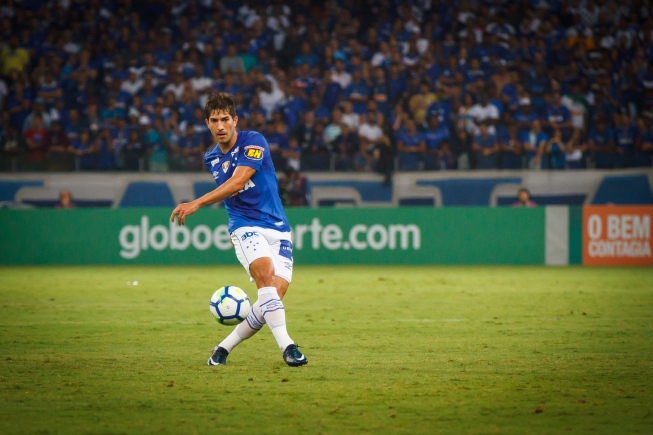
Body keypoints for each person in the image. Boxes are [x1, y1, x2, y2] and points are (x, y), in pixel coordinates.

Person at [170, 92, 307, 368]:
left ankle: (222, 348)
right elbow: (232, 191)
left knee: (272, 298)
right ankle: (289, 348)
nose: (220, 126)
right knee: (265, 279)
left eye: (225, 119)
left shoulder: (254, 141)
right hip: (245, 226)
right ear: (207, 124)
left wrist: (196, 203)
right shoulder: (211, 157)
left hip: (278, 228)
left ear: (235, 120)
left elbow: (237, 182)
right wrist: (236, 231)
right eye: (214, 121)